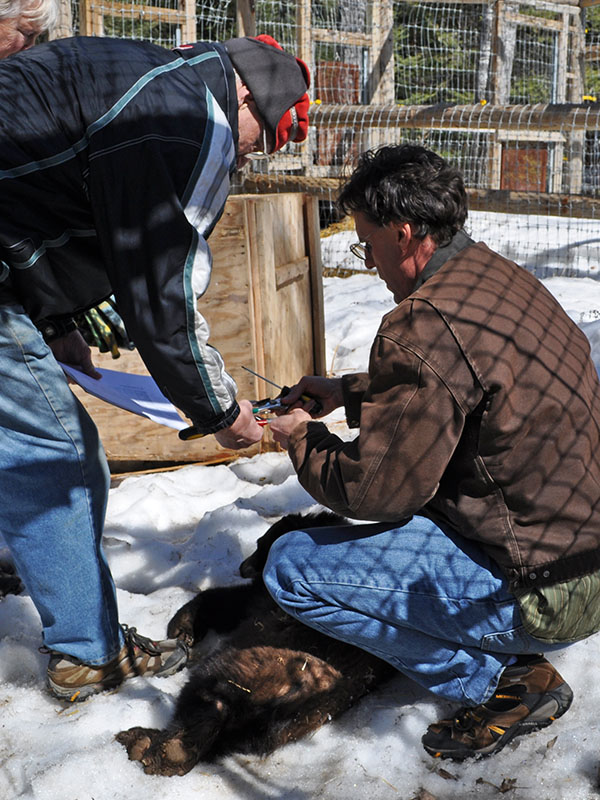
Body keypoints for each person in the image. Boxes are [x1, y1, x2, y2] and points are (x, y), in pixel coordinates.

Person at [0, 33, 310, 701]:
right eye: (263, 139)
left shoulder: (149, 74)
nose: (251, 155)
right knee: (60, 455)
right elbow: (160, 287)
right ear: (246, 97)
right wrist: (219, 411)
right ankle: (88, 652)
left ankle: (26, 558)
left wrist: (56, 323)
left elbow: (32, 197)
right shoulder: (183, 119)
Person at [266, 143, 600, 761]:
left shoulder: (421, 323)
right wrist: (350, 392)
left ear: (403, 233)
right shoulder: (502, 279)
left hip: (542, 593)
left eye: (367, 244)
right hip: (583, 558)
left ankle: (504, 681)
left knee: (291, 568)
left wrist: (300, 438)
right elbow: (467, 392)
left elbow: (376, 492)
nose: (369, 263)